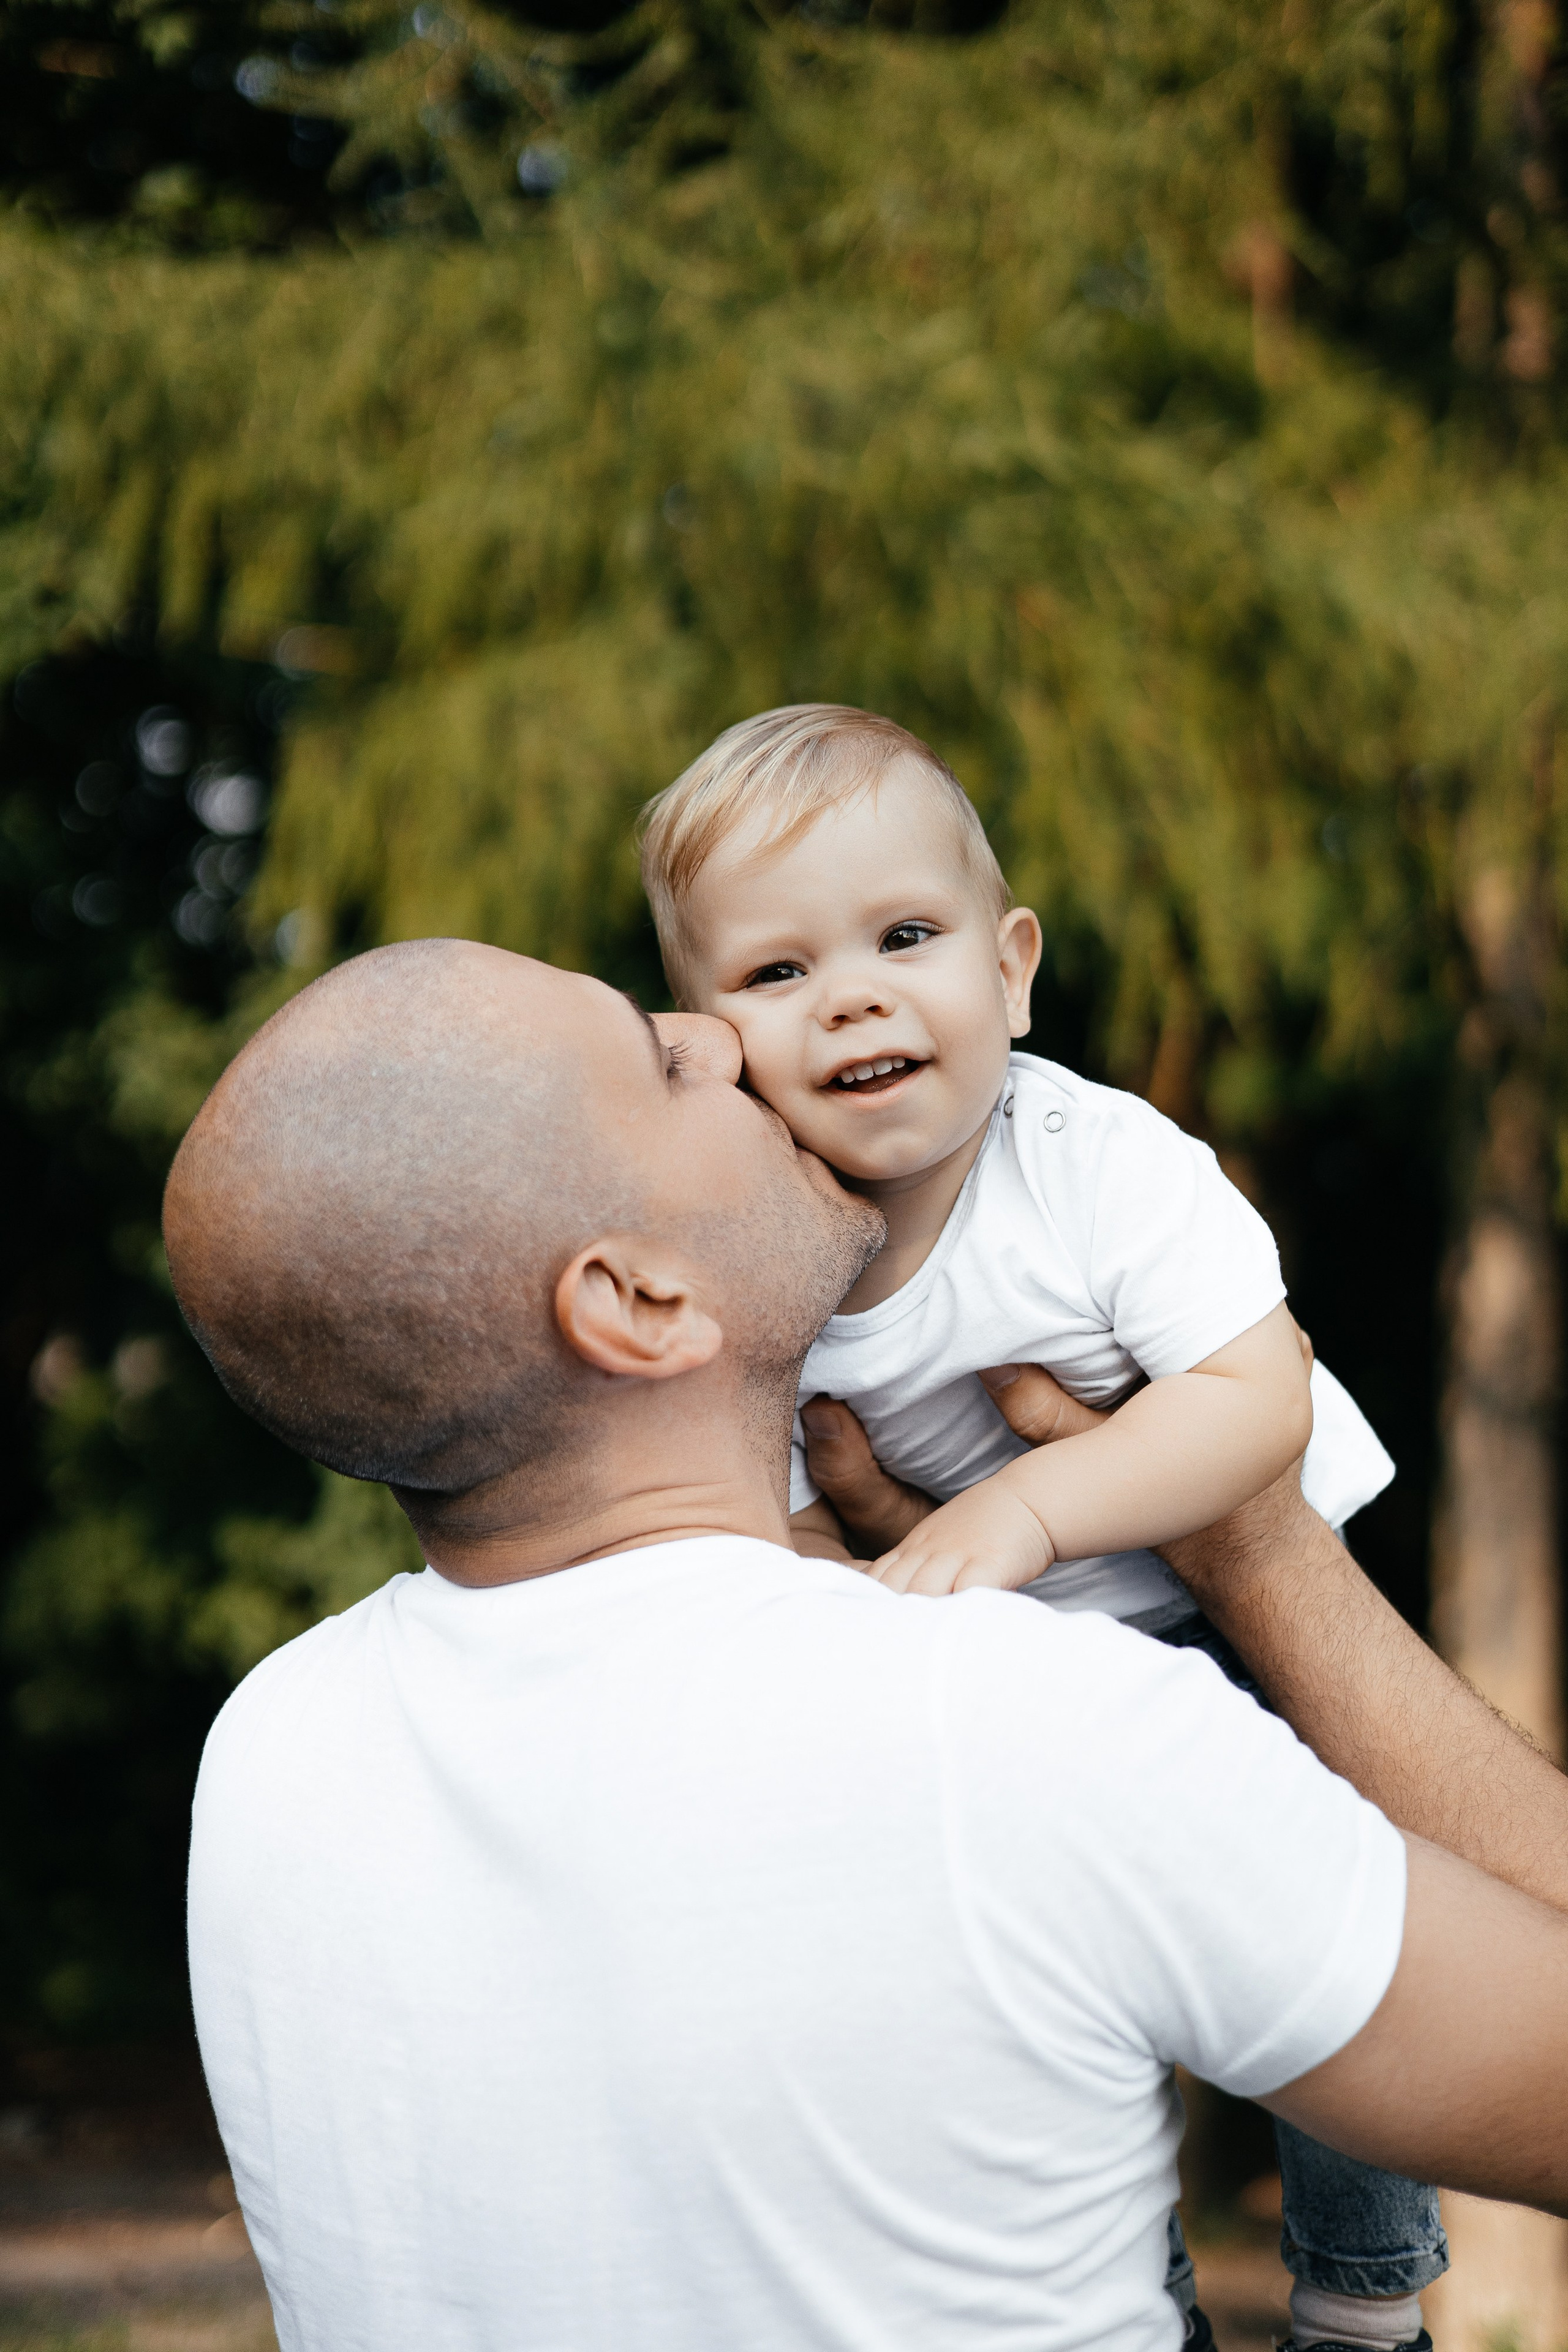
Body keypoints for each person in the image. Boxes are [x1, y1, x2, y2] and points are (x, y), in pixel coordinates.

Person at [170, 940, 1568, 2352]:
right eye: (658, 1063)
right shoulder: (1016, 1731)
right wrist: (1249, 1542)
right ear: (637, 1303)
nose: (720, 1040)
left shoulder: (272, 1762)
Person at [636, 702, 1442, 2340]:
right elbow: (774, 1526)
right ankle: (1110, 2299)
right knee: (1015, 1990)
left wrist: (1026, 1508)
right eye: (776, 973)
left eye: (905, 937)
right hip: (988, 1664)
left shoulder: (1090, 1160)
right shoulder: (752, 1258)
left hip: (1236, 1613)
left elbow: (1250, 1395)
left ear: (1010, 971)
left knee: (1334, 1909)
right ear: (708, 1041)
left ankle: (1363, 2301)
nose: (851, 991)